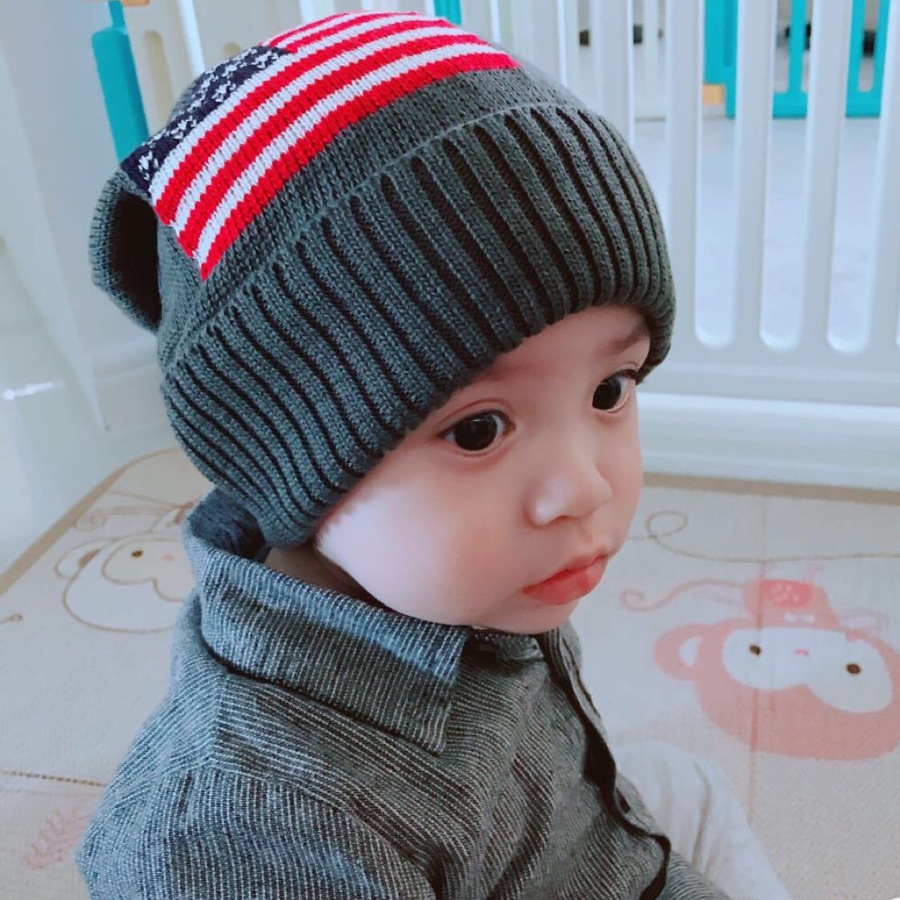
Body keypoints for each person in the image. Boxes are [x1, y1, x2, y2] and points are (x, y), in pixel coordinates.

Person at [77, 11, 788, 899]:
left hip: (566, 840)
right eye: (479, 430)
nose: (583, 487)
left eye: (610, 390)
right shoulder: (250, 834)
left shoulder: (464, 571)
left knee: (688, 785)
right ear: (295, 461)